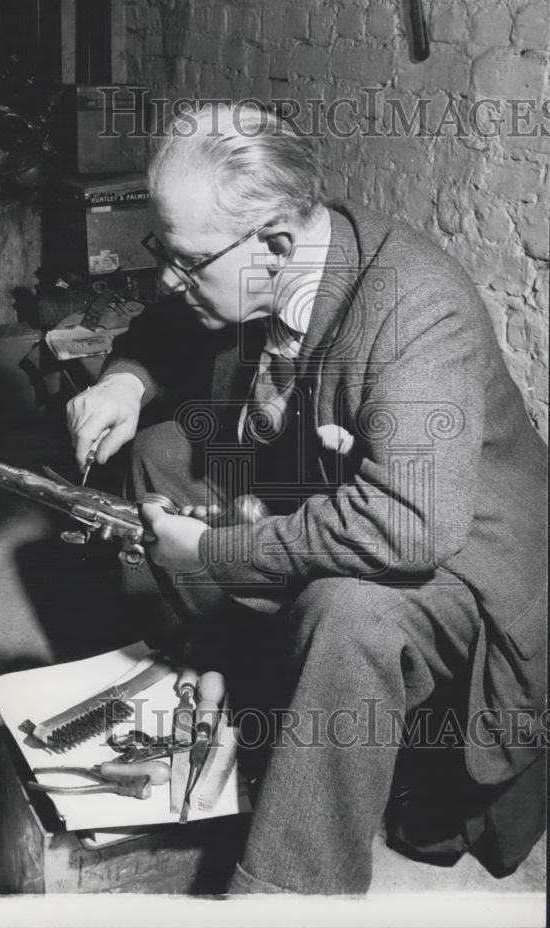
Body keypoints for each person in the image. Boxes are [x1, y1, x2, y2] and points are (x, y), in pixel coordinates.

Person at [66, 104, 547, 894]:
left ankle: (289, 892)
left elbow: (410, 525)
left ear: (275, 244)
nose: (167, 276)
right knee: (160, 452)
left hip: (475, 561)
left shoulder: (416, 309)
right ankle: (240, 688)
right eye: (164, 250)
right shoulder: (264, 265)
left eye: (185, 261)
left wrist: (214, 551)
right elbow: (173, 321)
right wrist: (126, 378)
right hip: (350, 493)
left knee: (348, 611)